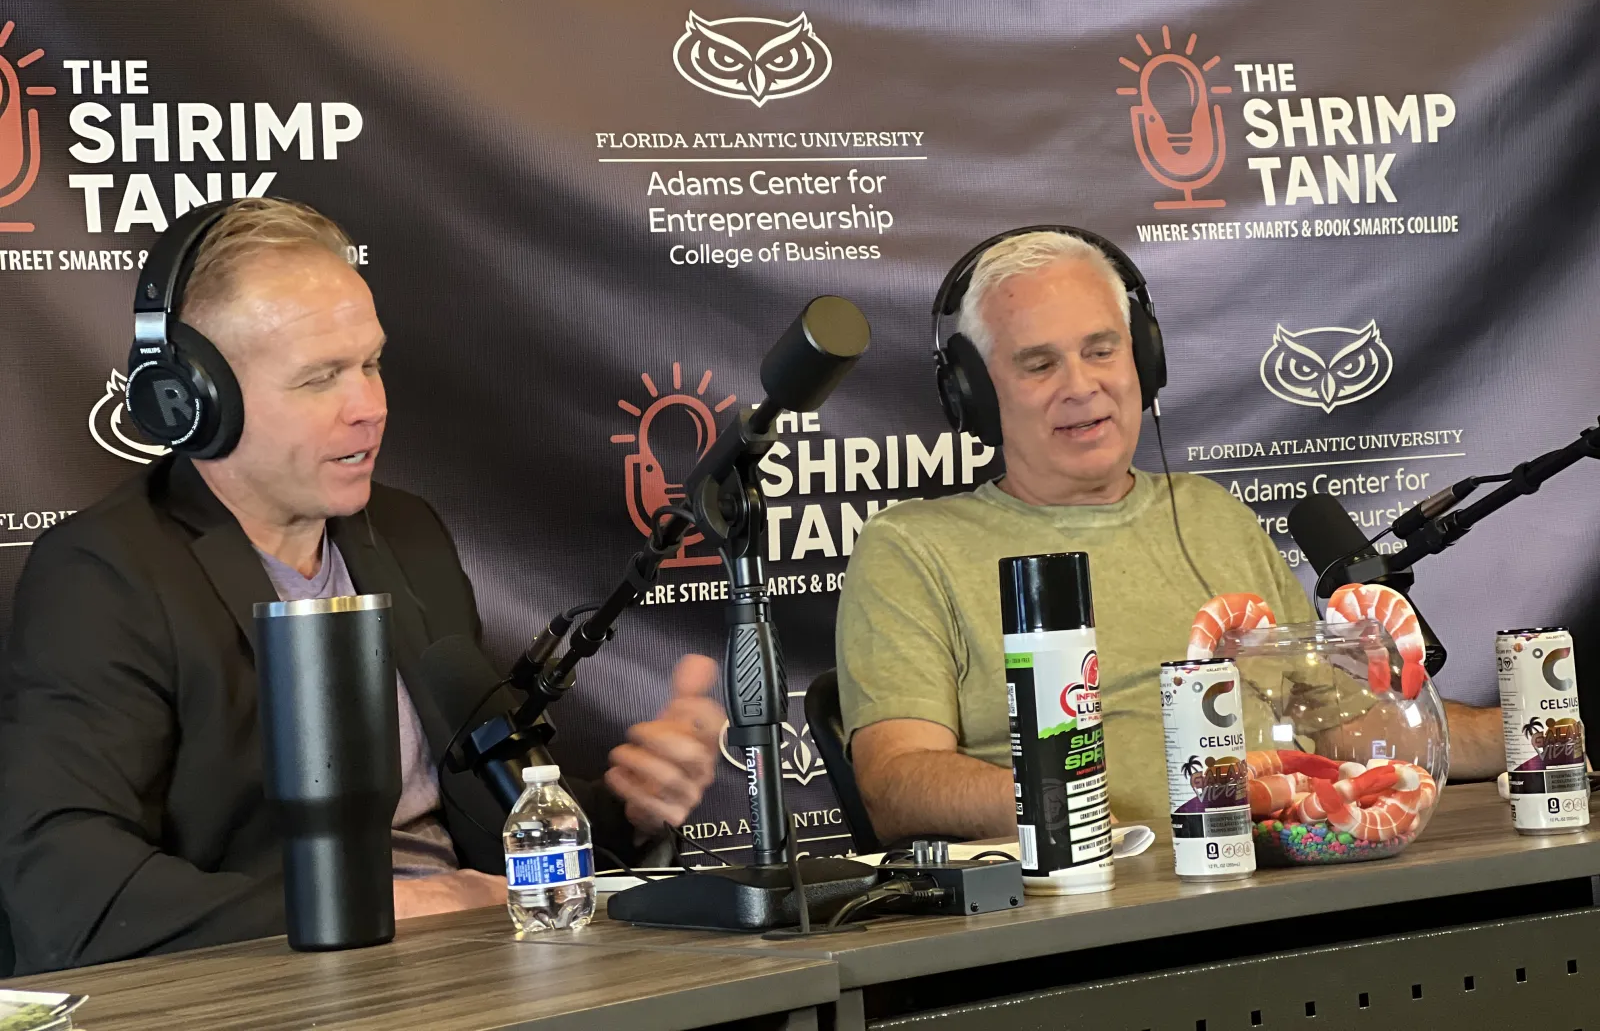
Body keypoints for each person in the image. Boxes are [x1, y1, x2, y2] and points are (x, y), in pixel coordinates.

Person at [0, 198, 724, 974]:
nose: (370, 409)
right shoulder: (108, 575)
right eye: (321, 379)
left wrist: (625, 810)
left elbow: (487, 819)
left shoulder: (406, 534)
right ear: (195, 397)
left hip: (482, 970)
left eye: (371, 364)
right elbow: (68, 894)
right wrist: (386, 908)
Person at [835, 227, 1503, 845]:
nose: (1081, 386)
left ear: (1143, 362)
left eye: (1101, 350)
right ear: (974, 394)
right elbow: (897, 784)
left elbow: (1337, 723)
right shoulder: (913, 549)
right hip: (1085, 913)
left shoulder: (1210, 516)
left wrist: (1520, 734)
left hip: (1272, 877)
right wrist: (1082, 811)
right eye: (1039, 365)